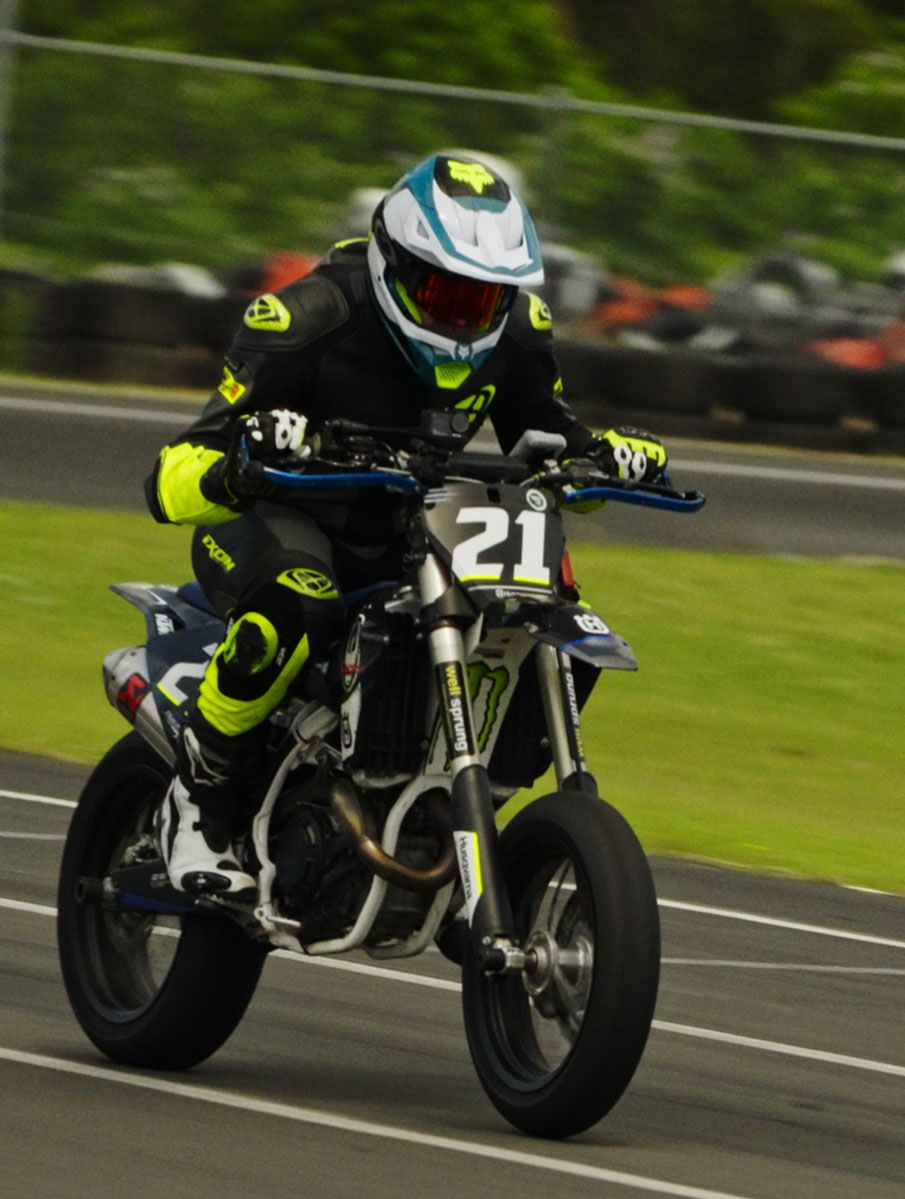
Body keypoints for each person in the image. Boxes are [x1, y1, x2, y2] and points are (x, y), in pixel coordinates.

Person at [144, 152, 668, 896]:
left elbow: (548, 442)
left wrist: (609, 460)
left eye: (482, 298)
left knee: (555, 628)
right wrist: (244, 462)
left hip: (413, 534)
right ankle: (200, 794)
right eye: (442, 292)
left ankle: (462, 815)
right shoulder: (305, 317)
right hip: (282, 519)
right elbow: (170, 475)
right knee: (299, 606)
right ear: (393, 264)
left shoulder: (516, 332)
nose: (463, 315)